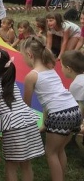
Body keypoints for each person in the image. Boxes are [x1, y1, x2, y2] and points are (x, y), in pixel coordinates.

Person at [22, 36, 82, 181]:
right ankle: (61, 176)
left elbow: (26, 105)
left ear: (29, 55)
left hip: (60, 115)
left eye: (23, 56)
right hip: (75, 111)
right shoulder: (51, 70)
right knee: (59, 149)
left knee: (51, 153)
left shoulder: (32, 76)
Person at [0, 48, 44, 181]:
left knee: (11, 166)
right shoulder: (11, 81)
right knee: (26, 164)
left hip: (13, 127)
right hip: (28, 121)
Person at [61, 50, 84, 117]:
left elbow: (79, 108)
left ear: (68, 69)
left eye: (62, 66)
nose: (61, 69)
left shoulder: (76, 84)